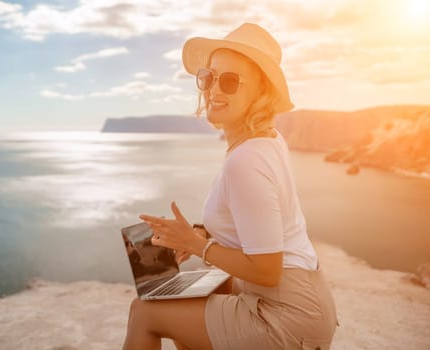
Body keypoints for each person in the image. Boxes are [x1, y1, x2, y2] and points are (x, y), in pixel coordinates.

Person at [123, 23, 338, 350]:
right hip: (299, 298)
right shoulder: (265, 140)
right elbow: (258, 226)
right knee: (203, 294)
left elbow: (267, 270)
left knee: (144, 313)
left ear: (260, 92)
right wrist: (198, 235)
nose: (214, 90)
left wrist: (198, 247)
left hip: (287, 313)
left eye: (230, 81)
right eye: (209, 77)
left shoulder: (246, 161)